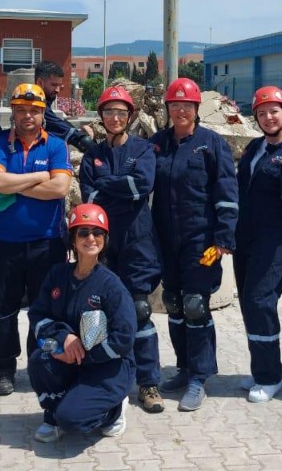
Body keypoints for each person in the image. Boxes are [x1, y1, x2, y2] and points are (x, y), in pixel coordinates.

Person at [150, 77, 238, 412]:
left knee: (195, 305)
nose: (180, 111)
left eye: (186, 105)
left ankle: (200, 377)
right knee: (173, 304)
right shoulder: (157, 144)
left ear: (196, 108)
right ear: (168, 109)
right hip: (166, 239)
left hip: (200, 240)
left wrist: (224, 236)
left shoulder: (211, 143)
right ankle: (184, 368)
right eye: (175, 105)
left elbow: (226, 190)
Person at [0, 83, 73, 396]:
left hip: (48, 243)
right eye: (21, 110)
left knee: (44, 309)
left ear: (43, 112)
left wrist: (13, 187)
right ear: (13, 111)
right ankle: (4, 369)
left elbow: (60, 188)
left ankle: (41, 365)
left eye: (34, 110)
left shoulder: (56, 146)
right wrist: (38, 177)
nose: (27, 116)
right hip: (3, 242)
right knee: (3, 309)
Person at [79, 85, 165, 413]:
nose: (114, 118)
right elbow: (90, 199)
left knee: (140, 311)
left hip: (138, 243)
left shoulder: (143, 150)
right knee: (101, 313)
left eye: (120, 112)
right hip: (101, 246)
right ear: (101, 116)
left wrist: (105, 185)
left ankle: (148, 383)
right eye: (109, 112)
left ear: (130, 116)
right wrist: (120, 190)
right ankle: (106, 380)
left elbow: (141, 185)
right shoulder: (93, 155)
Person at [28, 204, 136, 443]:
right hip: (70, 358)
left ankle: (114, 410)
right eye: (83, 232)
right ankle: (53, 414)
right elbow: (37, 315)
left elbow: (124, 338)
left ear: (105, 240)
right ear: (73, 240)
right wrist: (63, 338)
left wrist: (83, 356)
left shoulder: (111, 286)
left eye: (97, 233)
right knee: (39, 359)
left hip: (106, 367)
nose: (91, 238)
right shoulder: (57, 275)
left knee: (73, 421)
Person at [233, 86, 282, 403]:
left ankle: (271, 376)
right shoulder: (254, 147)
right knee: (249, 303)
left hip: (274, 239)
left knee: (260, 301)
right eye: (262, 113)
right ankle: (260, 369)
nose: (268, 118)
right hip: (245, 237)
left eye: (274, 111)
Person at [34, 60, 97, 154]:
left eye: (60, 86)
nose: (57, 90)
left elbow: (58, 123)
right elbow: (56, 125)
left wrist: (78, 132)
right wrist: (81, 137)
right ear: (40, 82)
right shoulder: (35, 106)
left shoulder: (45, 104)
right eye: (54, 85)